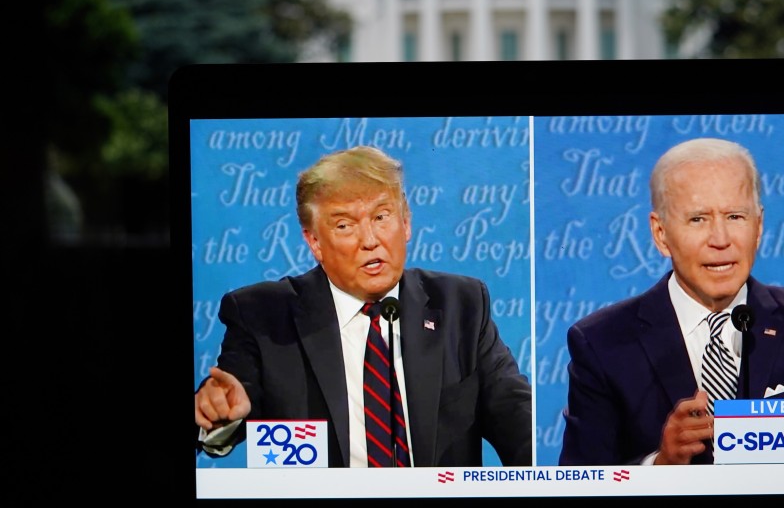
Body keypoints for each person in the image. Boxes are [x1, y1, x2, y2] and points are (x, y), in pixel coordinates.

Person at [195, 145, 533, 467]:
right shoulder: (262, 315)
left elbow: (516, 417)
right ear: (314, 242)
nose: (370, 240)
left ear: (406, 223)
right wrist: (221, 413)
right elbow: (229, 402)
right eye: (344, 225)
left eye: (382, 217)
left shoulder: (462, 304)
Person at [558, 137, 784, 465]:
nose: (721, 240)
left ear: (759, 225)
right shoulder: (602, 343)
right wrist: (660, 465)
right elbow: (580, 484)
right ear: (661, 233)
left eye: (735, 217)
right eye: (698, 219)